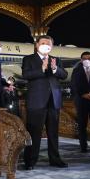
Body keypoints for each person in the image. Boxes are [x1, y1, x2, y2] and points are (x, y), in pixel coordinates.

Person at [22, 35, 68, 170]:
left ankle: (55, 159)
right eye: (43, 43)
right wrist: (42, 69)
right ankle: (30, 160)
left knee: (53, 133)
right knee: (34, 132)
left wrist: (54, 69)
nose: (45, 45)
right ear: (37, 45)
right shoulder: (29, 59)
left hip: (53, 101)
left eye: (48, 43)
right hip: (36, 101)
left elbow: (64, 75)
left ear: (52, 46)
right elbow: (26, 75)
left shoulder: (56, 59)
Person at [70, 51, 90, 152]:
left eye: (89, 58)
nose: (87, 60)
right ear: (81, 60)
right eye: (84, 59)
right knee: (82, 125)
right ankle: (83, 146)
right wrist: (83, 94)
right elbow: (73, 86)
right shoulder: (76, 71)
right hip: (81, 102)